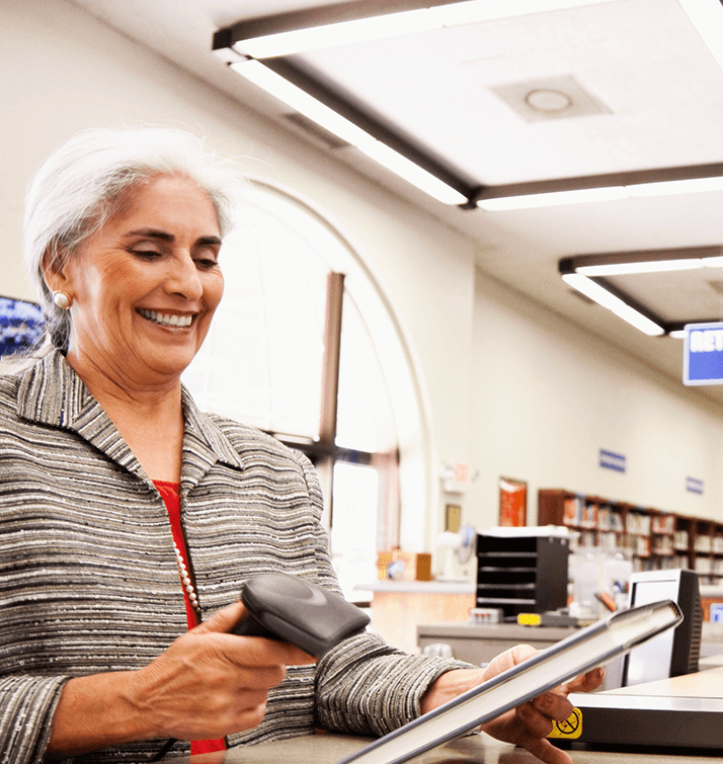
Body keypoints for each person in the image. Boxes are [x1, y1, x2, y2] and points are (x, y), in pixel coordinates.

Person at [0, 127, 601, 764]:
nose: (189, 285)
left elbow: (335, 670)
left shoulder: (273, 472)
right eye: (151, 252)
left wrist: (472, 693)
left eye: (206, 259)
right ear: (59, 266)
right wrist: (136, 701)